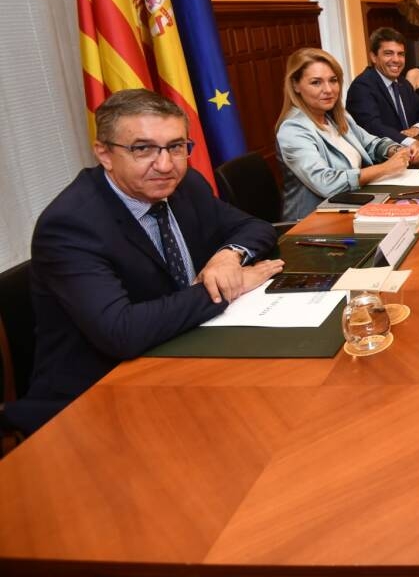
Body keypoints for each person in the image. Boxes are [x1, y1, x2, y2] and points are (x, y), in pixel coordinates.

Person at [4, 89, 282, 434]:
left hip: (179, 352)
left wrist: (228, 257)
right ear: (104, 153)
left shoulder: (185, 185)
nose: (165, 165)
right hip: (93, 398)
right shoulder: (71, 224)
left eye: (176, 147)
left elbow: (255, 227)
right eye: (142, 149)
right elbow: (122, 332)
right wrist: (229, 286)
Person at [277, 48, 419, 219]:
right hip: (314, 221)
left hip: (352, 205)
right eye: (316, 82)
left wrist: (396, 150)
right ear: (295, 85)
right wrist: (384, 168)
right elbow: (325, 182)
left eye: (333, 80)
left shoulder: (337, 116)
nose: (328, 90)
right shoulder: (293, 129)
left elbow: (370, 143)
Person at [347, 27, 419, 150]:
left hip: (410, 154)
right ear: (373, 57)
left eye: (400, 54)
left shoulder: (402, 83)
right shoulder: (362, 86)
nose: (396, 60)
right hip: (382, 157)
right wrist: (412, 142)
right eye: (388, 53)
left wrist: (416, 128)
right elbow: (372, 127)